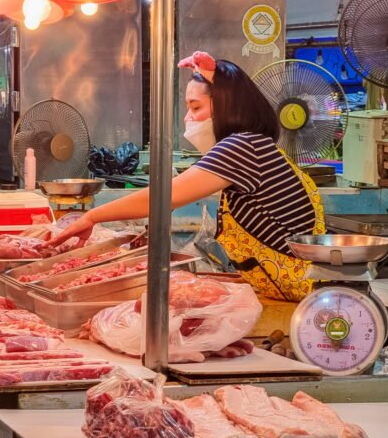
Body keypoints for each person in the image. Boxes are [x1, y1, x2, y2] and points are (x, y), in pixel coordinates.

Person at [50, 52, 326, 302]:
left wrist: (91, 217)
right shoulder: (256, 145)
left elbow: (161, 199)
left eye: (195, 108)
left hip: (299, 295)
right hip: (284, 290)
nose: (187, 119)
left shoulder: (243, 147)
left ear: (226, 106)